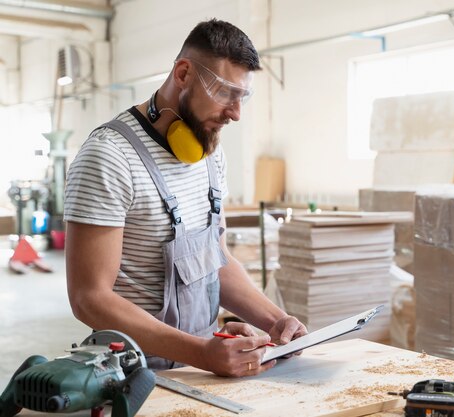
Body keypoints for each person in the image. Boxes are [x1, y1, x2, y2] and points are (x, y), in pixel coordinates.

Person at [64, 19, 306, 377]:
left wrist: (276, 321)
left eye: (242, 97)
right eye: (225, 93)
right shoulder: (109, 156)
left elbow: (217, 261)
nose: (236, 113)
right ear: (183, 74)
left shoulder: (210, 155)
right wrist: (203, 354)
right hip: (134, 373)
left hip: (203, 364)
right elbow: (89, 298)